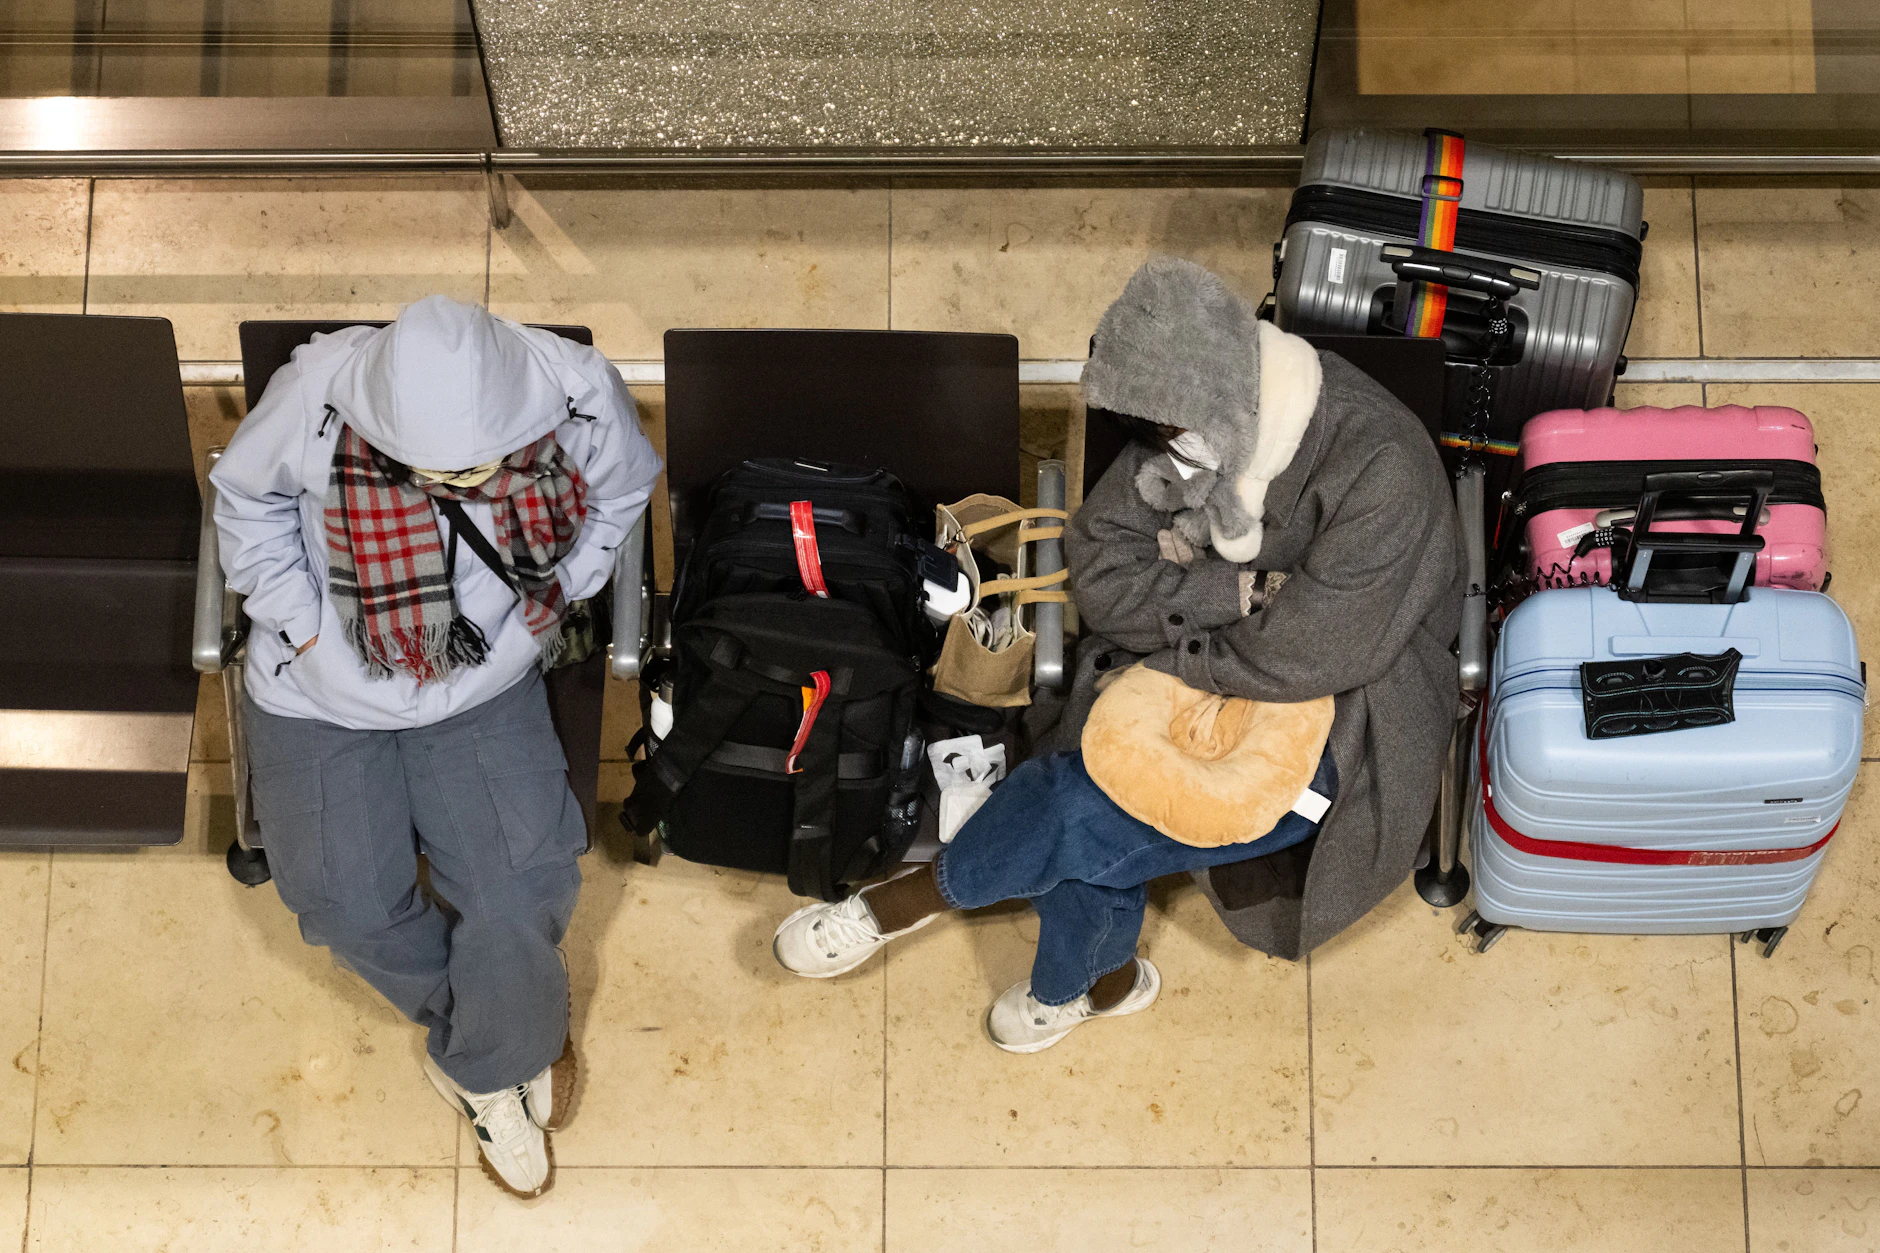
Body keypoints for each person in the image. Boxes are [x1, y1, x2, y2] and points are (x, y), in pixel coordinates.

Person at [771, 257, 1462, 1050]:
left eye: (1167, 437)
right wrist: (1230, 593)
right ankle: (1090, 983)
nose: (1160, 455)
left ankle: (914, 899)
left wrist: (1175, 624)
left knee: (1078, 803)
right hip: (1230, 662)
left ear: (1217, 405)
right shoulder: (1196, 419)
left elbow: (1306, 654)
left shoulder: (1382, 471)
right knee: (1093, 813)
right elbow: (1099, 570)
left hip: (1350, 721)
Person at [212, 296, 661, 1197]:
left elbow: (620, 495)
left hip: (481, 676)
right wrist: (304, 634)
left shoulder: (574, 392)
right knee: (340, 901)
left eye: (476, 470)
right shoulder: (315, 392)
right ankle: (510, 1034)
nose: (453, 488)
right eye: (426, 471)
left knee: (521, 883)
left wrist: (561, 585)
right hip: (319, 686)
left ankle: (483, 1060)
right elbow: (244, 504)